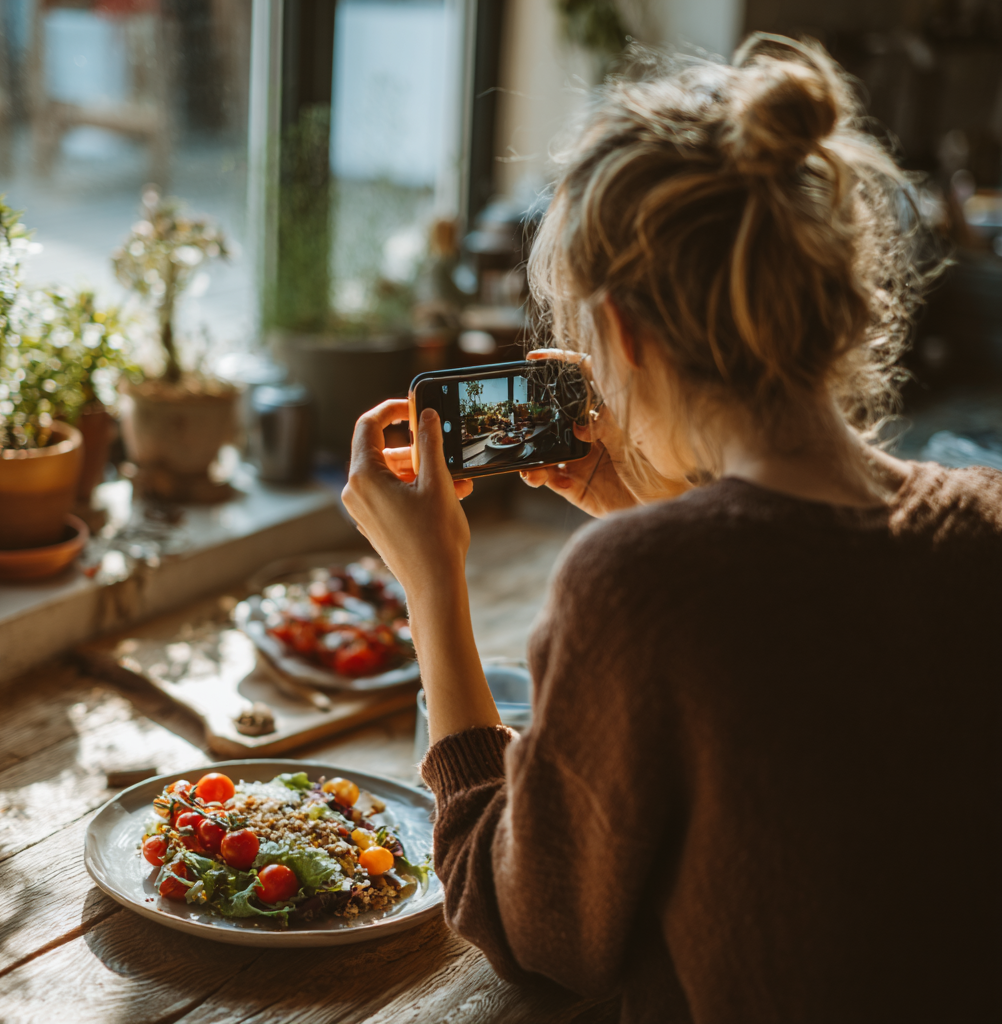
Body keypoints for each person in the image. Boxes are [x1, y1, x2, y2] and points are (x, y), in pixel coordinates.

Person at [341, 33, 1001, 1024]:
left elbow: (536, 932)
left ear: (618, 333)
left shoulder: (635, 587)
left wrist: (430, 587)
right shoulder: (981, 525)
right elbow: (790, 649)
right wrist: (646, 511)